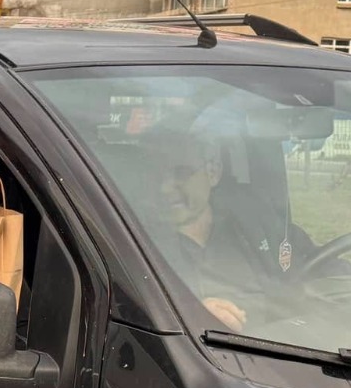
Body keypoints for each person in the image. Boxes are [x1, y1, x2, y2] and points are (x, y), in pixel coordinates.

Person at [134, 124, 314, 331]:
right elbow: (128, 306)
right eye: (156, 174)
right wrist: (190, 315)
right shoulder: (134, 239)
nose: (164, 187)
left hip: (289, 346)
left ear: (213, 172)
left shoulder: (255, 222)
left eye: (181, 173)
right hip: (205, 356)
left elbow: (318, 264)